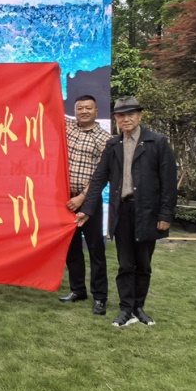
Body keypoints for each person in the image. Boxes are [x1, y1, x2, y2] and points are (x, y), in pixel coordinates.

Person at [76, 96, 177, 327]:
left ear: (140, 116)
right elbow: (99, 178)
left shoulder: (157, 142)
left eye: (131, 114)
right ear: (116, 119)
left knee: (143, 263)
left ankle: (138, 307)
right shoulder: (113, 145)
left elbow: (169, 183)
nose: (126, 119)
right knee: (125, 263)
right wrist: (87, 210)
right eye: (121, 115)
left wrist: (165, 215)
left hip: (147, 212)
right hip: (121, 211)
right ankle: (125, 309)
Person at [59, 95, 111, 315]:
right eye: (79, 108)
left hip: (89, 201)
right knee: (71, 248)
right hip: (65, 199)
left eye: (88, 108)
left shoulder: (105, 139)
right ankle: (77, 290)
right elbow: (47, 110)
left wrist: (82, 196)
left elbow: (102, 174)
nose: (84, 112)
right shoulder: (69, 127)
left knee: (95, 249)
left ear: (96, 111)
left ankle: (100, 297)